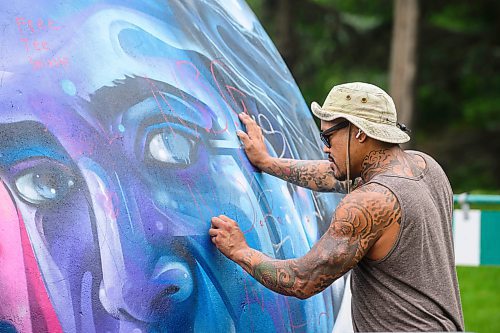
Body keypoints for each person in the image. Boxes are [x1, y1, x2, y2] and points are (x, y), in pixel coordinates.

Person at [210, 82, 465, 332]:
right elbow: (331, 175)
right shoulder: (425, 168)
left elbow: (302, 280)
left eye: (328, 136)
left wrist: (240, 251)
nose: (325, 147)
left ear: (359, 132)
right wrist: (267, 162)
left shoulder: (368, 203)